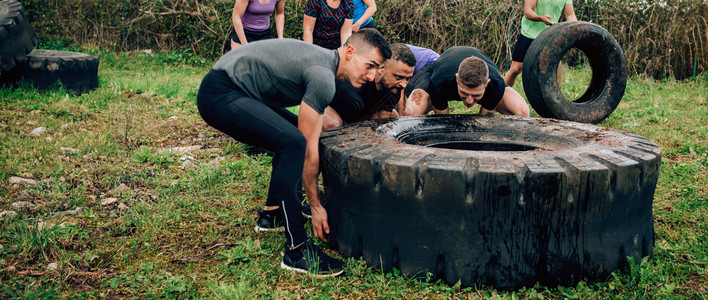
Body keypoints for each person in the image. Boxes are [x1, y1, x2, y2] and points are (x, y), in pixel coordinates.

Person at [196, 29, 391, 276]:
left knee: (287, 136)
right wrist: (315, 203)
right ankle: (297, 251)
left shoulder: (325, 65)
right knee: (293, 143)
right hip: (222, 92)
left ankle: (272, 214)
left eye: (378, 69)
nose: (372, 76)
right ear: (350, 52)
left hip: (234, 90)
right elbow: (308, 149)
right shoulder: (323, 76)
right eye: (370, 65)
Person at [403, 46, 530, 117]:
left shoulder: (496, 84)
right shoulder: (439, 81)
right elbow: (442, 120)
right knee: (411, 112)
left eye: (476, 95)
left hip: (485, 72)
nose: (469, 101)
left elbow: (484, 121)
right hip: (439, 69)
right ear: (457, 79)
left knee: (522, 110)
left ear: (487, 84)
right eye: (464, 93)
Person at [324, 43, 416, 130]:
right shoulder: (355, 85)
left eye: (407, 79)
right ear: (382, 68)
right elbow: (349, 132)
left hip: (361, 111)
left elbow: (379, 122)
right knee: (334, 123)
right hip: (323, 105)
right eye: (399, 77)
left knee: (393, 117)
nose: (404, 85)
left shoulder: (394, 88)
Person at [504, 0, 577, 87]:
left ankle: (556, 99)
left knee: (555, 68)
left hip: (550, 34)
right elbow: (528, 12)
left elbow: (570, 15)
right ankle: (500, 95)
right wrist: (540, 18)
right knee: (515, 69)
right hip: (529, 33)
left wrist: (575, 29)